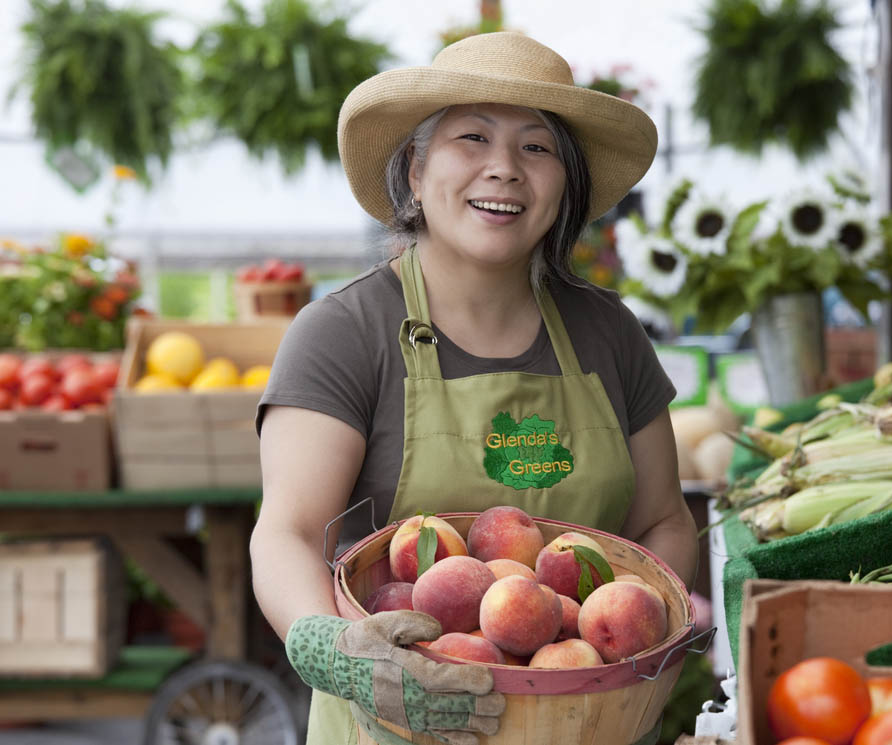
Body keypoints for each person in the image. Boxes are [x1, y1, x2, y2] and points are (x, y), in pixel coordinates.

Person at [250, 31, 699, 745]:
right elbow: (288, 533)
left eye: (537, 147)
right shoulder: (344, 332)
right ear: (416, 169)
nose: (505, 169)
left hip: (583, 725)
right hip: (394, 725)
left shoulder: (608, 331)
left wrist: (628, 631)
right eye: (472, 137)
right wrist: (338, 653)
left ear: (564, 183)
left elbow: (665, 519)